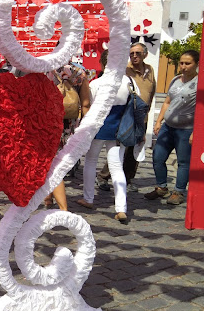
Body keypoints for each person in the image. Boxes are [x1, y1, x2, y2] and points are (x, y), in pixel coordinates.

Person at [78, 66, 140, 224]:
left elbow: (88, 106)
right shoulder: (130, 82)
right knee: (117, 166)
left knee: (91, 161)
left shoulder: (96, 83)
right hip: (120, 129)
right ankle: (121, 208)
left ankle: (88, 198)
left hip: (98, 127)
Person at [98, 43, 156, 192]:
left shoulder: (150, 70)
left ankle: (128, 179)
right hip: (125, 114)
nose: (134, 56)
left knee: (135, 147)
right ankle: (103, 176)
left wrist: (147, 111)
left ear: (145, 54)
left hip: (142, 114)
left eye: (137, 53)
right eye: (132, 54)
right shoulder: (125, 70)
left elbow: (152, 91)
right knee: (120, 146)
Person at [145, 50, 199, 205]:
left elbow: (203, 110)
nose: (183, 66)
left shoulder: (199, 83)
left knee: (183, 161)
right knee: (157, 157)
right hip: (168, 127)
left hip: (186, 129)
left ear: (196, 64)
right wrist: (158, 121)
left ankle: (179, 191)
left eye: (187, 63)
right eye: (181, 63)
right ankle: (162, 188)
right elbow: (167, 101)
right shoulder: (175, 79)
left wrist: (196, 131)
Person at [44, 62, 91, 211]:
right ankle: (53, 197)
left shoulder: (46, 71)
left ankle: (51, 198)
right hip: (70, 123)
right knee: (60, 162)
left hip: (49, 122)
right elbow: (85, 103)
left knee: (50, 161)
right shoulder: (79, 73)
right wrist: (85, 126)